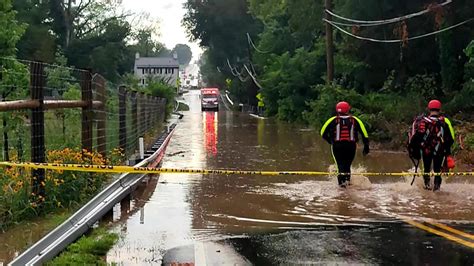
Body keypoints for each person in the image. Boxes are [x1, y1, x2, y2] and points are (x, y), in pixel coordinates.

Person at [407, 99, 455, 191]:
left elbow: (417, 137)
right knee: (438, 171)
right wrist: (447, 151)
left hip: (426, 150)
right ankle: (437, 190)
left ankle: (427, 187)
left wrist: (414, 150)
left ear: (429, 109)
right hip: (439, 150)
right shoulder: (445, 121)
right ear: (439, 109)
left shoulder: (423, 121)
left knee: (426, 170)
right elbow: (451, 138)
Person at [320, 101, 370, 187]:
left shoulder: (332, 120)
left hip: (337, 146)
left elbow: (322, 133)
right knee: (347, 166)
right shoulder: (355, 120)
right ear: (348, 110)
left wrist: (330, 141)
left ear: (337, 110)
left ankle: (342, 188)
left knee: (340, 166)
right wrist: (366, 147)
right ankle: (347, 185)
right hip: (351, 146)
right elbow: (365, 134)